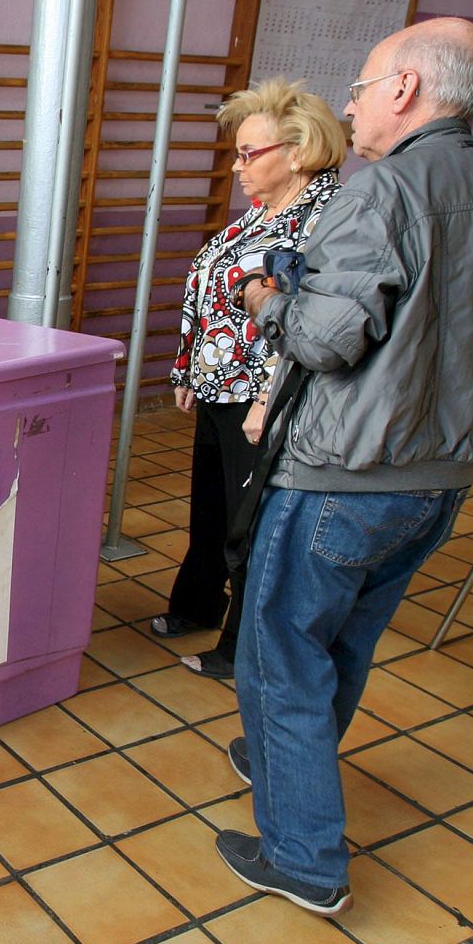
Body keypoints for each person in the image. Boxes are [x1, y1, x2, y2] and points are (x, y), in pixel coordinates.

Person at [218, 18, 473, 916]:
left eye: (360, 86)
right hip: (441, 484)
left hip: (346, 476)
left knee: (281, 654)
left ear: (403, 89)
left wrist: (270, 300)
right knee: (345, 642)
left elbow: (326, 339)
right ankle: (286, 760)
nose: (351, 104)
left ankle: (305, 857)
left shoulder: (385, 193)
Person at [150, 79, 346, 680]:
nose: (237, 166)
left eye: (248, 154)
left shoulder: (327, 219)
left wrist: (265, 397)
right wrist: (187, 365)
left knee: (250, 524)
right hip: (218, 389)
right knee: (211, 509)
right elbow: (206, 284)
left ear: (298, 152)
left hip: (261, 400)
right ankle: (197, 603)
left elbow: (313, 321)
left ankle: (240, 647)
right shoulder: (263, 214)